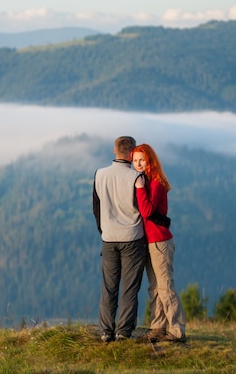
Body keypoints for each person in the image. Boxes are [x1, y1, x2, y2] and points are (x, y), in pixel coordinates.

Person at [93, 136, 148, 343]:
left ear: (114, 151)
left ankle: (106, 331)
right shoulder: (137, 177)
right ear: (132, 153)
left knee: (109, 286)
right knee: (130, 287)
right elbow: (143, 210)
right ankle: (123, 332)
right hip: (133, 238)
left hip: (108, 238)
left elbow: (96, 208)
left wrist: (104, 231)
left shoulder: (99, 174)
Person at [132, 143, 186, 343]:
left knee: (165, 286)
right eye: (135, 160)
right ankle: (158, 327)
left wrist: (138, 188)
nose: (137, 164)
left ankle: (177, 329)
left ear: (150, 160)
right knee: (154, 288)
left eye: (141, 160)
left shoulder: (154, 183)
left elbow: (147, 211)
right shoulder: (146, 181)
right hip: (149, 242)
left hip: (160, 242)